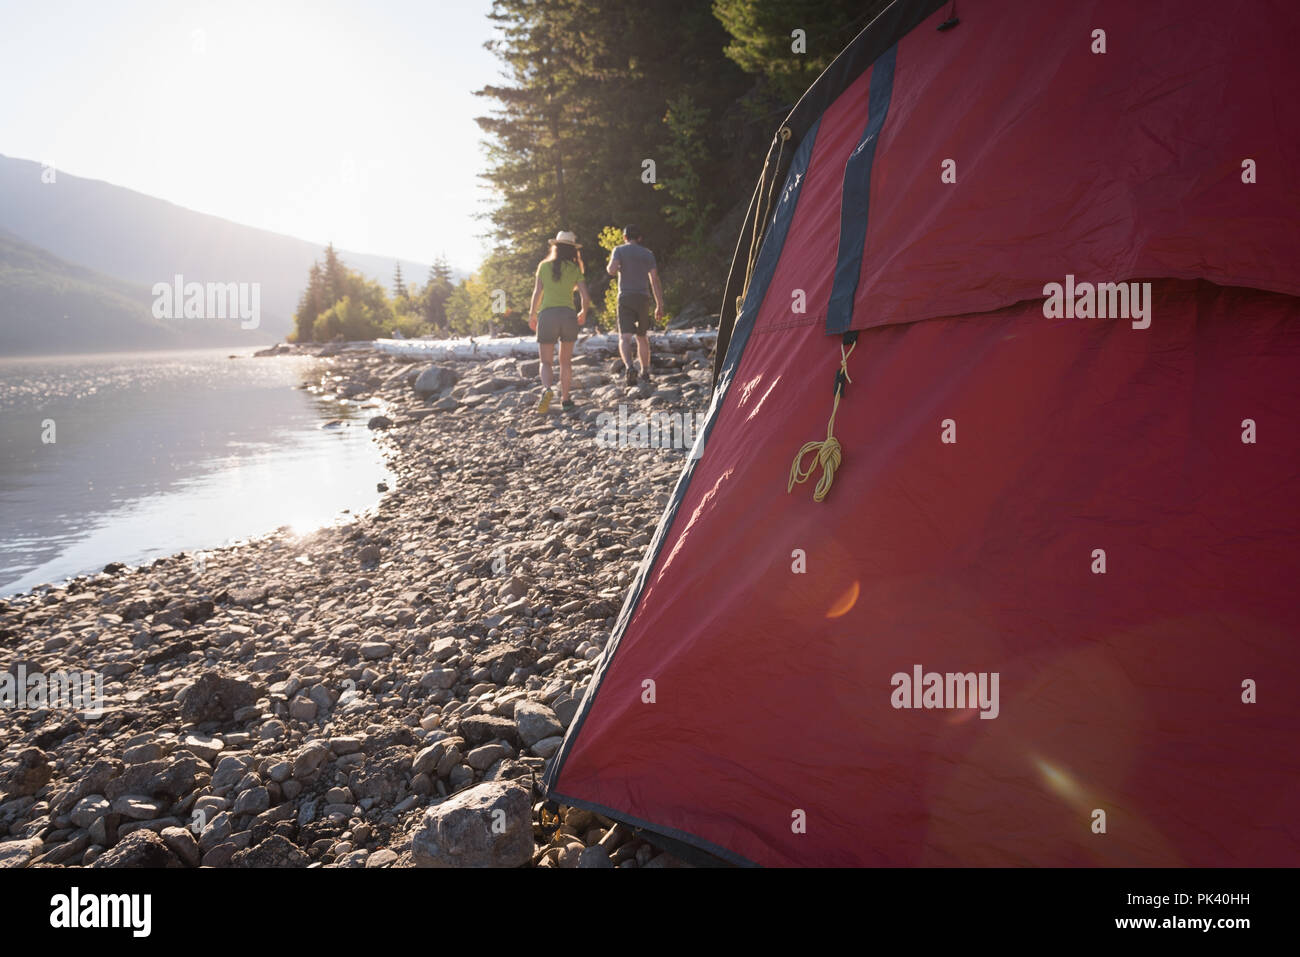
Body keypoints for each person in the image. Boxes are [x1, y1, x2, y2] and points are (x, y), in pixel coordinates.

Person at [529, 231, 591, 413]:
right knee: (565, 362)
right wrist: (583, 312)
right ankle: (566, 400)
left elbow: (537, 293)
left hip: (547, 315)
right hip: (568, 316)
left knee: (546, 362)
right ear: (573, 250)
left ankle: (547, 390)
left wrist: (532, 314)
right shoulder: (574, 269)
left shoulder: (544, 266)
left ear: (555, 247)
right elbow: (585, 296)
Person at [606, 224, 666, 387]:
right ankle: (645, 371)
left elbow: (611, 270)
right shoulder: (647, 254)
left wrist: (617, 267)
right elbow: (654, 280)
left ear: (625, 237)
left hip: (625, 297)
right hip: (643, 298)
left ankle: (630, 367)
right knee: (642, 336)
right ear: (640, 238)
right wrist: (659, 304)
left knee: (624, 337)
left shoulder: (619, 250)